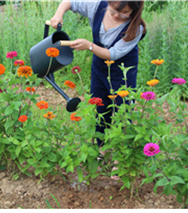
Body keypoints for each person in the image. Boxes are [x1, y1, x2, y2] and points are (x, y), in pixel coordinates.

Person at [50, 0, 146, 180]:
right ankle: (102, 148)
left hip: (122, 70)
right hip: (99, 67)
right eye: (113, 9)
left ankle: (120, 156)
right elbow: (69, 2)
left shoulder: (136, 29)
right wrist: (58, 15)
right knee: (100, 106)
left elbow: (113, 54)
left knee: (122, 108)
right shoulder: (98, 6)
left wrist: (89, 46)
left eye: (123, 12)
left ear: (134, 10)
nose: (116, 15)